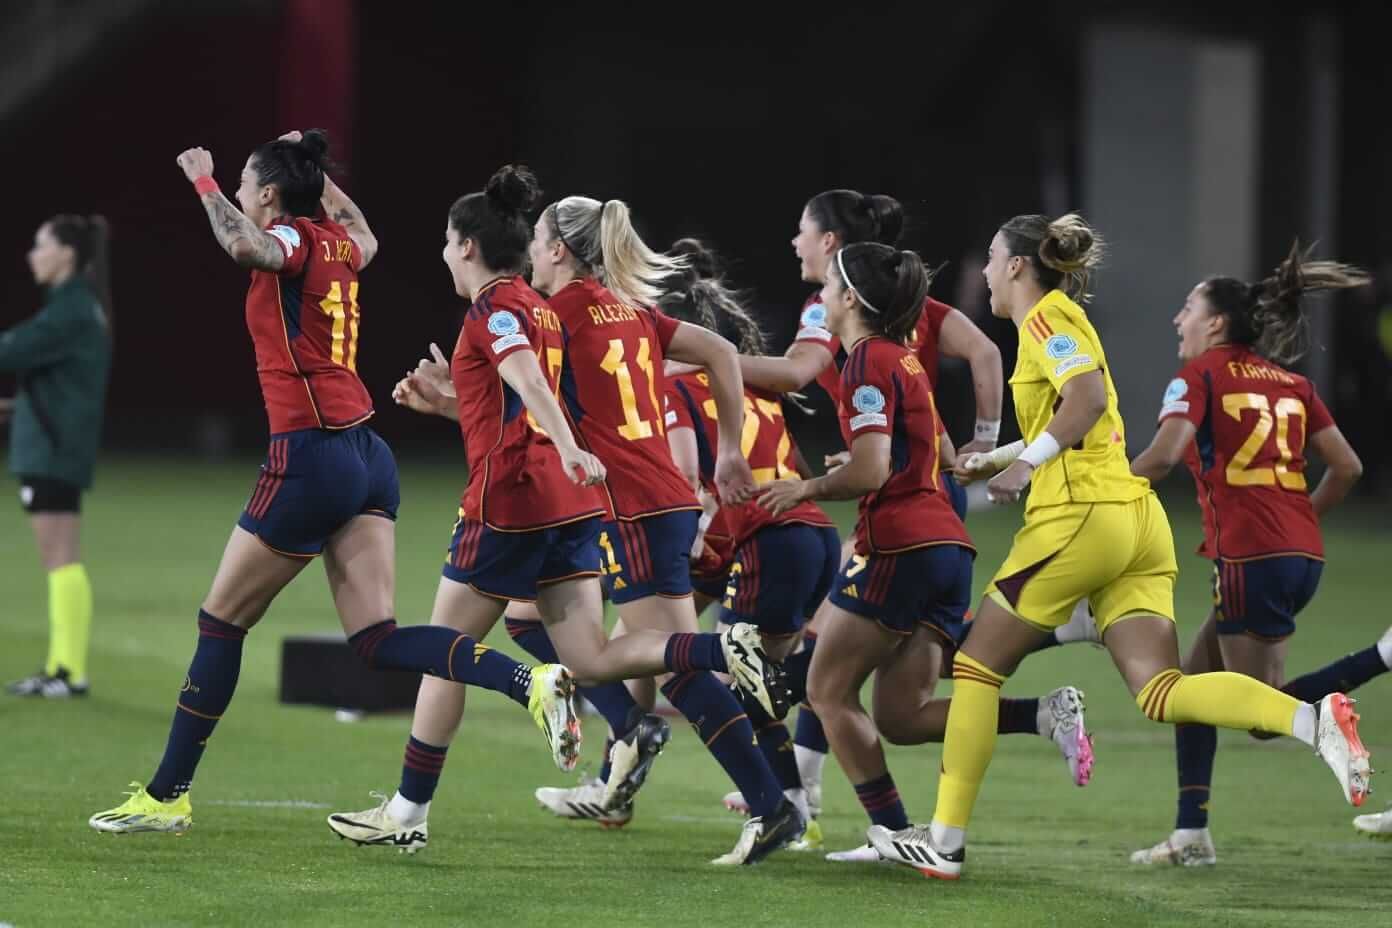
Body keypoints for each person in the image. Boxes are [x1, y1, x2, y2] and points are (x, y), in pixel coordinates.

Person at [87, 136, 581, 836]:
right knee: (376, 639)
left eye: (245, 183)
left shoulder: (290, 238)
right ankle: (527, 681)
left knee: (221, 622)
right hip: (366, 453)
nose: (238, 191)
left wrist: (203, 183)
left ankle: (168, 795)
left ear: (266, 195)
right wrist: (316, 178)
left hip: (309, 455)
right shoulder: (340, 244)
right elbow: (364, 233)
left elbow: (244, 245)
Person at [865, 213, 1371, 881]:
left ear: (1017, 265)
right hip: (1136, 523)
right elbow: (1082, 423)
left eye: (990, 257)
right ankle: (1312, 722)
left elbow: (1088, 399)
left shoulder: (1045, 318)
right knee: (1161, 690)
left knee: (978, 666)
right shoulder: (1061, 322)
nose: (983, 272)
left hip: (1082, 517)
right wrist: (999, 458)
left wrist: (1026, 466)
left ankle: (945, 842)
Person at [327, 168, 798, 865]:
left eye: (543, 240)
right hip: (607, 500)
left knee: (455, 651)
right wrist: (462, 401)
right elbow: (711, 356)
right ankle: (643, 743)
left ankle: (749, 767)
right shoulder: (616, 310)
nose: (533, 251)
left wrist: (534, 429)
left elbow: (534, 398)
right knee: (567, 643)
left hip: (610, 500)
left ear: (556, 250)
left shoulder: (547, 313)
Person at [757, 241, 1089, 864]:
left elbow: (872, 471)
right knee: (901, 715)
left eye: (829, 288)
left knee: (826, 690)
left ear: (850, 298)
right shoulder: (903, 358)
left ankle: (888, 831)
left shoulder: (864, 362)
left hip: (900, 546)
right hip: (947, 548)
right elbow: (934, 451)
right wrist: (872, 460)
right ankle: (1042, 713)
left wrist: (807, 487)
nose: (820, 297)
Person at [1126, 243, 1389, 866]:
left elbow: (1164, 456)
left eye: (1188, 308)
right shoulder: (1293, 382)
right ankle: (1191, 834)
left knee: (1259, 714)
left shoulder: (1201, 374)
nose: (1178, 319)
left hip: (1250, 557)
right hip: (1300, 553)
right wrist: (1298, 521)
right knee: (1190, 688)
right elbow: (1347, 466)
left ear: (1216, 322)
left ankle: (1379, 657)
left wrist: (1096, 485)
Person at [2, 214, 112, 698]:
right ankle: (61, 667)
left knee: (60, 559)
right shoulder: (78, 308)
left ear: (66, 254)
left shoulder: (69, 311)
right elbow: (65, 384)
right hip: (58, 448)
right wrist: (16, 407)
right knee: (61, 559)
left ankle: (67, 671)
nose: (32, 255)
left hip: (51, 452)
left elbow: (11, 350)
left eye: (40, 245)